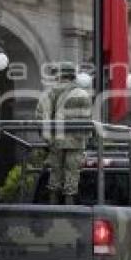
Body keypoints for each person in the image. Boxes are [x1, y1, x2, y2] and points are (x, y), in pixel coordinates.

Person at [35, 62, 93, 204]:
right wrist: (86, 139)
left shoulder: (48, 93)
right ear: (73, 76)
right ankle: (69, 204)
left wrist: (46, 137)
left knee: (55, 174)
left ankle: (53, 204)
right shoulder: (81, 93)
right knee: (72, 174)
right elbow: (87, 120)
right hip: (76, 141)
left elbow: (39, 115)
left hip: (55, 140)